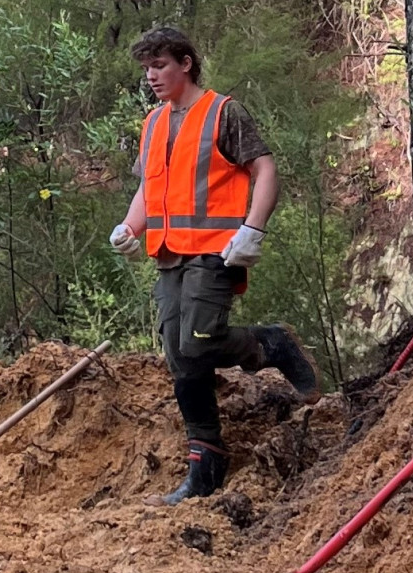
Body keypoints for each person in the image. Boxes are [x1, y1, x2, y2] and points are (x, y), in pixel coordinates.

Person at [109, 26, 320, 508]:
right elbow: (150, 188)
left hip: (216, 250)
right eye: (147, 68)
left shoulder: (224, 112)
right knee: (179, 355)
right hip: (168, 253)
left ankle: (271, 344)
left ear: (185, 63)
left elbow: (264, 168)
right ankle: (206, 464)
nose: (152, 76)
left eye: (160, 65)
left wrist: (254, 229)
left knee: (198, 340)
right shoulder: (153, 124)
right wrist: (130, 226)